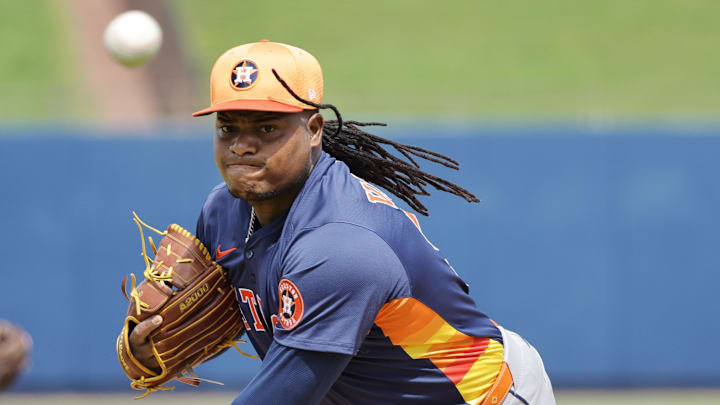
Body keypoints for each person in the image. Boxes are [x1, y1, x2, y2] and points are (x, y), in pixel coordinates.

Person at [128, 40, 556, 405]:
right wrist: (150, 346)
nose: (242, 145)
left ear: (313, 128)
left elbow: (283, 395)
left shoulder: (340, 248)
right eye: (228, 127)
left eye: (266, 127)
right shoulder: (223, 212)